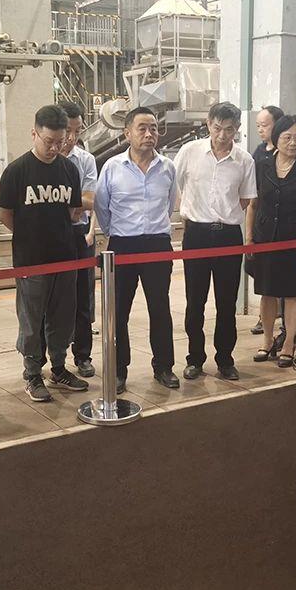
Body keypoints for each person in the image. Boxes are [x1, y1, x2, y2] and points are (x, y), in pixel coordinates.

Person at [0, 105, 88, 402]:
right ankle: (32, 373)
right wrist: (29, 235)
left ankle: (59, 368)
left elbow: (73, 211)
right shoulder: (16, 171)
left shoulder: (69, 169)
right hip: (31, 260)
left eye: (60, 141)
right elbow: (4, 214)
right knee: (31, 320)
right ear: (34, 134)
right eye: (49, 141)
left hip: (65, 256)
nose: (55, 148)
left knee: (62, 318)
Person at [95, 106, 178, 392]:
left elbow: (170, 204)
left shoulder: (167, 167)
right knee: (118, 312)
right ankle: (118, 371)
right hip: (123, 245)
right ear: (127, 133)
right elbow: (102, 207)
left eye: (153, 128)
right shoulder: (112, 167)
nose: (149, 133)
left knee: (160, 308)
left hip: (157, 244)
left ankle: (164, 367)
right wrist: (115, 233)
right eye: (142, 128)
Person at [175, 102, 256, 380]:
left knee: (226, 302)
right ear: (208, 124)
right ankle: (195, 358)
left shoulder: (244, 160)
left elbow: (245, 199)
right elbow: (175, 185)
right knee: (194, 301)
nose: (222, 135)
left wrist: (223, 215)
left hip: (229, 236)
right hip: (196, 234)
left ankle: (225, 360)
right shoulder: (190, 152)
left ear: (238, 129)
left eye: (229, 130)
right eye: (217, 128)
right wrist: (189, 212)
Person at [246, 115, 296, 368]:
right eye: (287, 137)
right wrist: (249, 237)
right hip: (265, 238)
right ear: (276, 138)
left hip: (294, 240)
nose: (293, 142)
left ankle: (288, 343)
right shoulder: (262, 165)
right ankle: (267, 341)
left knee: (291, 294)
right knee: (266, 292)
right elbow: (253, 205)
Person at [57, 101, 99, 378]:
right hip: (51, 236)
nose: (71, 138)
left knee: (83, 297)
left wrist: (63, 202)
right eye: (67, 130)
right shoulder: (41, 160)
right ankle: (53, 357)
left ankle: (82, 355)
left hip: (80, 234)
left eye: (78, 130)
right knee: (54, 299)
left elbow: (90, 199)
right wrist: (74, 203)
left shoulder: (85, 160)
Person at [249, 105, 284, 337]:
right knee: (264, 279)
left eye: (265, 125)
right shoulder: (259, 153)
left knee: (286, 283)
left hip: (286, 227)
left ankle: (287, 327)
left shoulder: (290, 153)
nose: (261, 130)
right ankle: (266, 319)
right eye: (258, 126)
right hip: (263, 223)